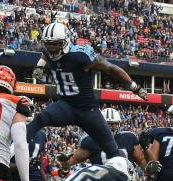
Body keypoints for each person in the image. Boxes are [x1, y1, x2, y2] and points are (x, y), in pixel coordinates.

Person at [28, 22, 148, 154]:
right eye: (49, 44)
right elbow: (45, 53)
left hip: (88, 110)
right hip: (65, 105)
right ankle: (10, 149)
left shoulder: (80, 55)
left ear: (66, 41)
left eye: (56, 44)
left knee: (112, 150)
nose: (52, 48)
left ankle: (123, 170)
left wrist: (135, 87)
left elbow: (111, 68)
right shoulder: (48, 50)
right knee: (40, 119)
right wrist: (40, 66)